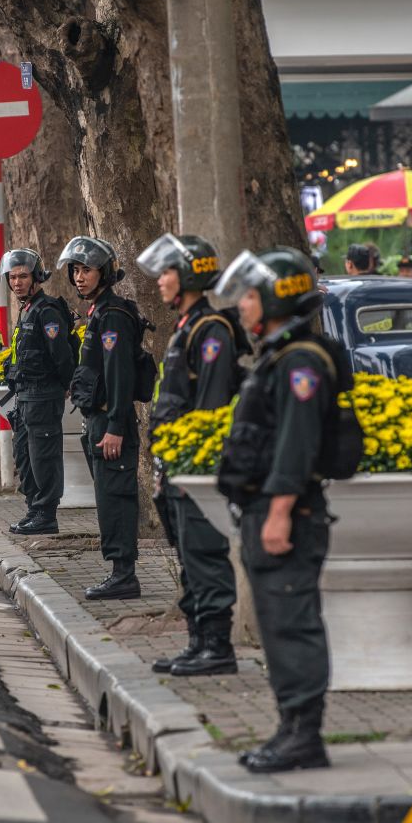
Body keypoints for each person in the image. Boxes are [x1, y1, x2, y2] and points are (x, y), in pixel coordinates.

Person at [214, 245, 338, 774]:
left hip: (289, 511)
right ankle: (290, 728)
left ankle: (304, 737)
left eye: (248, 295)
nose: (241, 305)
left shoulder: (301, 361)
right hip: (267, 507)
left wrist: (281, 511)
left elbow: (297, 442)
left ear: (272, 298)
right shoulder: (279, 353)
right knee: (277, 623)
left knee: (292, 623)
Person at [138, 233, 242, 677]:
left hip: (196, 470)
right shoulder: (185, 328)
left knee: (205, 554)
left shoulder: (211, 330)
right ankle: (198, 642)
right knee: (188, 558)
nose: (160, 281)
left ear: (189, 277)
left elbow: (212, 406)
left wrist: (193, 465)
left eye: (166, 273)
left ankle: (217, 647)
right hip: (175, 466)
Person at [63, 236, 144, 601]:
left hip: (112, 424)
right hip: (98, 421)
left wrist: (114, 427)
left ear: (105, 273)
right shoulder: (99, 312)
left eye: (87, 270)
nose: (80, 277)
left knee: (116, 498)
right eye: (76, 270)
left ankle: (124, 574)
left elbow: (120, 377)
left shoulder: (112, 315)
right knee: (107, 497)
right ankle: (118, 571)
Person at [3, 248, 76, 536]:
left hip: (44, 395)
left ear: (36, 277)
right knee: (24, 455)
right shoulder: (27, 309)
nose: (17, 282)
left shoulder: (47, 310)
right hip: (25, 397)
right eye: (13, 277)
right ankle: (34, 509)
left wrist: (68, 383)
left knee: (43, 456)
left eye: (23, 276)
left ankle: (46, 514)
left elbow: (61, 355)